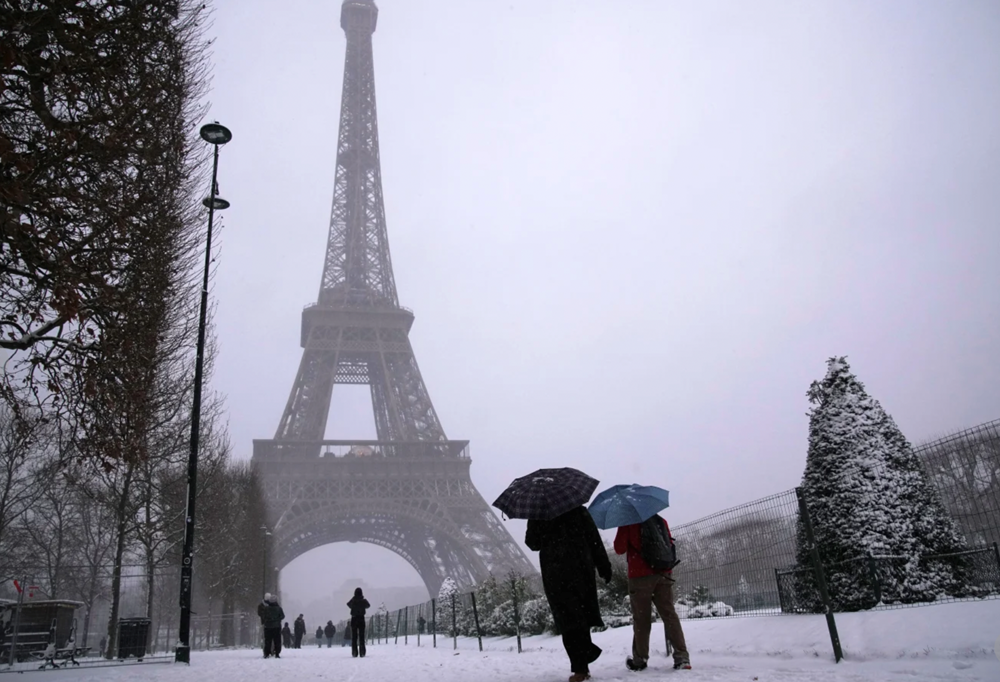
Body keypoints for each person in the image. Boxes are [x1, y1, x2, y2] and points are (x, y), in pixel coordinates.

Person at [525, 505, 612, 682]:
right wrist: (603, 566)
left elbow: (533, 543)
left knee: (568, 621)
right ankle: (583, 661)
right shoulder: (578, 510)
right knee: (580, 617)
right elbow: (593, 539)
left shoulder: (539, 513)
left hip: (556, 574)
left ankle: (581, 665)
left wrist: (537, 522)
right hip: (581, 570)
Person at [614, 514, 691, 671]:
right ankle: (682, 657)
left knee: (641, 619)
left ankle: (640, 660)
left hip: (639, 576)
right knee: (669, 615)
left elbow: (619, 549)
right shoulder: (660, 520)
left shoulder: (628, 521)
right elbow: (668, 544)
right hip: (663, 572)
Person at [257, 592, 285, 659]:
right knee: (277, 640)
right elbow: (282, 616)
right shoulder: (279, 608)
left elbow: (263, 616)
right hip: (276, 627)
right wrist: (277, 619)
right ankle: (277, 653)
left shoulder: (266, 609)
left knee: (268, 641)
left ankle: (267, 653)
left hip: (268, 627)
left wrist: (268, 620)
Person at [347, 587, 370, 658]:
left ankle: (354, 652)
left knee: (354, 637)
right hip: (361, 619)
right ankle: (362, 652)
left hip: (354, 619)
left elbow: (348, 604)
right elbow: (368, 605)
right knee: (361, 636)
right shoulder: (363, 601)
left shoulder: (353, 600)